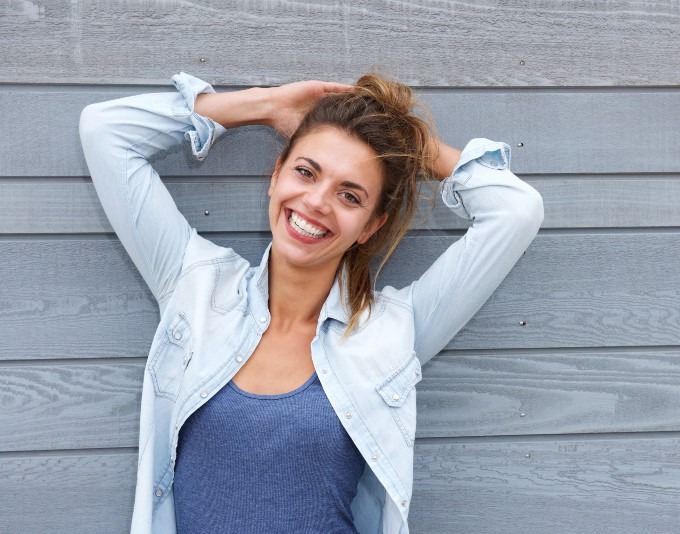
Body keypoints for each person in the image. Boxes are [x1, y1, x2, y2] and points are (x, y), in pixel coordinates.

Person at [79, 71, 543, 534]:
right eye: (306, 171)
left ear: (370, 227)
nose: (317, 201)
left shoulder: (393, 331)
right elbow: (104, 131)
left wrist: (406, 142)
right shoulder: (194, 285)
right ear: (276, 173)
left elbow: (516, 211)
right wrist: (263, 105)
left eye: (349, 194)